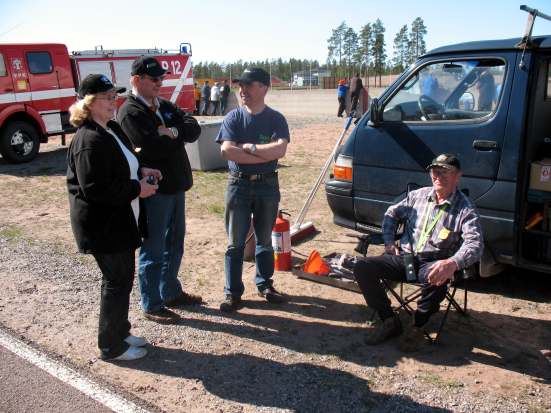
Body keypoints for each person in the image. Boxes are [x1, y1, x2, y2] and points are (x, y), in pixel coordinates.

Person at [67, 74, 162, 361]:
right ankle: (110, 345)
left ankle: (120, 331)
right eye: (107, 98)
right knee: (116, 282)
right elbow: (95, 189)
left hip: (121, 220)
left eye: (114, 96)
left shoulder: (111, 128)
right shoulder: (88, 139)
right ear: (89, 102)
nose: (113, 102)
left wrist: (142, 171)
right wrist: (138, 189)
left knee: (123, 279)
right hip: (103, 226)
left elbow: (125, 163)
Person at [353, 153, 483, 350]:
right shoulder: (418, 196)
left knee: (436, 277)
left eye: (445, 172)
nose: (438, 175)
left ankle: (417, 325)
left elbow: (475, 244)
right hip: (405, 258)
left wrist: (452, 263)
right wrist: (389, 242)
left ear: (458, 176)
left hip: (434, 261)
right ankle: (389, 320)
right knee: (362, 266)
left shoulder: (465, 209)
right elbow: (391, 214)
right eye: (434, 171)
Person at [117, 57, 202, 324]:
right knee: (153, 248)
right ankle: (152, 303)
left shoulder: (163, 105)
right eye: (153, 79)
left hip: (176, 186)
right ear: (136, 80)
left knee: (175, 242)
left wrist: (172, 133)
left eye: (160, 79)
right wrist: (175, 138)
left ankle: (170, 291)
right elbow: (150, 148)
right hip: (154, 191)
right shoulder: (131, 112)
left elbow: (194, 127)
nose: (159, 83)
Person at [216, 68, 290, 312]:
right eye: (241, 85)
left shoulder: (276, 119)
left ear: (264, 88)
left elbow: (280, 150)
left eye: (249, 84)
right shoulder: (233, 118)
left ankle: (265, 285)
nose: (242, 89)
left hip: (267, 185)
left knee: (265, 240)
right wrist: (263, 152)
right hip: (238, 184)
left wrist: (249, 149)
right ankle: (232, 293)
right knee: (234, 243)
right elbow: (227, 151)